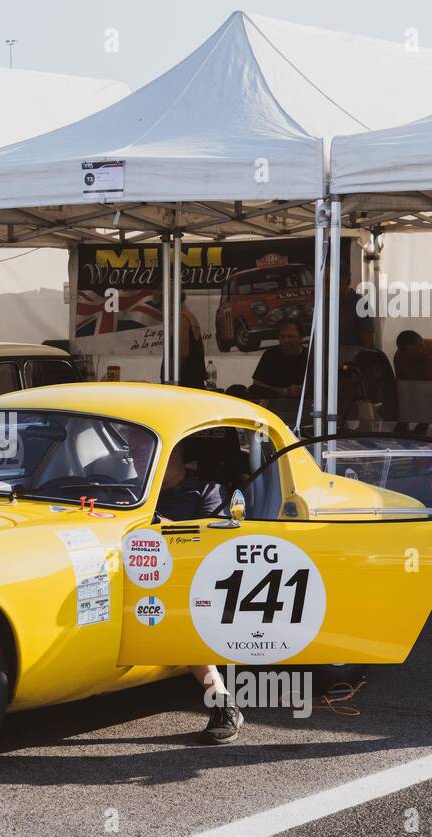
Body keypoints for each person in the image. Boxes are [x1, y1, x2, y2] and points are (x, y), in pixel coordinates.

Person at [154, 444, 244, 743]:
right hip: (138, 571)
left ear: (177, 457)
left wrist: (163, 528)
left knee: (184, 614)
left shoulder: (207, 490)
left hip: (192, 579)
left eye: (152, 456)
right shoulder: (134, 493)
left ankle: (222, 703)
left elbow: (214, 541)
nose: (143, 462)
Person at [250, 317, 310, 400]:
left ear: (301, 337)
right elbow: (257, 383)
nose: (286, 340)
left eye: (291, 336)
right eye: (282, 336)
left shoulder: (309, 356)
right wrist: (284, 391)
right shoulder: (270, 355)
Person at [159, 292, 206, 388]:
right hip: (190, 380)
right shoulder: (189, 316)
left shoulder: (181, 318)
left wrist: (171, 378)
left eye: (162, 303)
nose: (161, 308)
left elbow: (182, 353)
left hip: (184, 382)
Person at [337, 263, 375, 350]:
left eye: (329, 280)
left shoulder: (360, 304)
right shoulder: (323, 304)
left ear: (345, 279)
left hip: (352, 360)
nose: (327, 284)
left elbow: (368, 343)